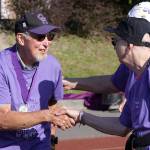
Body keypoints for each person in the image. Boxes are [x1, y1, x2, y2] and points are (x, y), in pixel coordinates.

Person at [62, 16, 150, 149]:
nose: (113, 46)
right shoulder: (135, 78)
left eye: (115, 41)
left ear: (129, 45)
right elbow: (122, 126)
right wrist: (81, 116)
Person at [0, 11, 75, 150]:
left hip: (40, 143)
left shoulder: (53, 66)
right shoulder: (2, 65)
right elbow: (2, 119)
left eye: (50, 36)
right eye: (40, 37)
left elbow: (52, 103)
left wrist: (52, 137)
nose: (47, 43)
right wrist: (45, 115)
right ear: (21, 39)